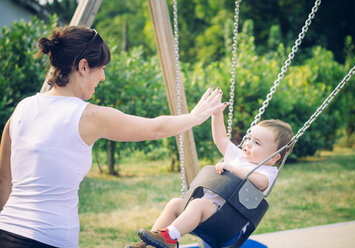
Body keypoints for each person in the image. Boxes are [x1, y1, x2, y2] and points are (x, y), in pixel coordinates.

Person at [0, 26, 227, 248]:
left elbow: (3, 180)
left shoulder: (22, 108)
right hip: (47, 239)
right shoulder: (87, 116)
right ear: (83, 66)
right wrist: (196, 117)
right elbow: (155, 128)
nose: (104, 77)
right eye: (102, 68)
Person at [126, 106, 293, 248]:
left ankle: (170, 237)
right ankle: (153, 243)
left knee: (198, 204)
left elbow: (262, 183)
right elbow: (220, 139)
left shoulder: (268, 171)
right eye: (249, 137)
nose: (248, 143)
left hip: (228, 223)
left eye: (257, 143)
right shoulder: (238, 156)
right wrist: (217, 114)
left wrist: (233, 169)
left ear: (274, 157)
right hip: (210, 212)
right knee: (175, 204)